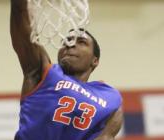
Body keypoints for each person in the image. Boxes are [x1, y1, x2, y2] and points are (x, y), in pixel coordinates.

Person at [10, 0, 123, 140]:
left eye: (81, 42)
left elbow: (106, 136)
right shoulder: (45, 72)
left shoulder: (109, 96)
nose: (70, 44)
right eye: (66, 41)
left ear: (95, 60)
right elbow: (24, 32)